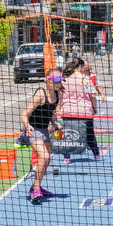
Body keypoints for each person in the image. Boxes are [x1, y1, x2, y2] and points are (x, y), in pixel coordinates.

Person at [21, 71, 66, 204]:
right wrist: (27, 125)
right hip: (33, 130)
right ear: (48, 80)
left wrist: (54, 124)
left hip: (44, 131)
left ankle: (37, 186)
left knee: (47, 160)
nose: (58, 83)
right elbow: (24, 113)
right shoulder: (40, 94)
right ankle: (35, 190)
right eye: (55, 81)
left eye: (59, 81)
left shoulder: (58, 94)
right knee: (44, 157)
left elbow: (48, 111)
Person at [61, 57, 105, 159]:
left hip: (68, 111)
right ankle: (96, 154)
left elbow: (60, 96)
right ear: (80, 67)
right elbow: (92, 96)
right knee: (89, 134)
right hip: (84, 110)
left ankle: (66, 157)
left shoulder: (64, 79)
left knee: (68, 134)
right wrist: (94, 108)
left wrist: (60, 108)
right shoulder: (85, 79)